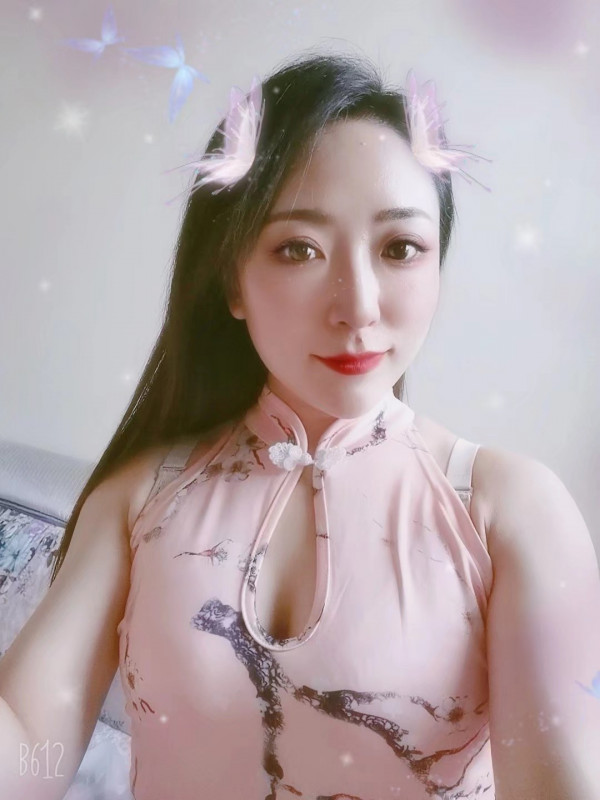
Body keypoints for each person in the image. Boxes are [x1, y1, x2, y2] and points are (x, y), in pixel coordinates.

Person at [1, 49, 599, 800]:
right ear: (231, 280)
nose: (359, 305)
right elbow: (27, 745)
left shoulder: (508, 512)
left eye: (401, 248)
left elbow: (559, 782)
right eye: (299, 249)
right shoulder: (140, 499)